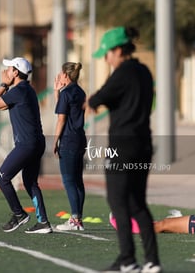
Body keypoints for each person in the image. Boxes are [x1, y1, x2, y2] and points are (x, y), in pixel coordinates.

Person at [87, 27, 161, 273]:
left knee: (117, 201)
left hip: (122, 145)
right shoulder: (144, 71)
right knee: (138, 203)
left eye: (107, 54)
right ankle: (152, 261)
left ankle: (127, 259)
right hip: (143, 143)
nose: (106, 59)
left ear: (118, 50)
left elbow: (97, 99)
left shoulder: (123, 72)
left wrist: (90, 102)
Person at [0, 57, 52, 234]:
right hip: (36, 142)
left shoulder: (19, 91)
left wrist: (3, 84)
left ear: (15, 72)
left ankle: (19, 214)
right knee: (30, 181)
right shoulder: (26, 90)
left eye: (8, 69)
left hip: (27, 144)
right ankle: (43, 222)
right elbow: (2, 106)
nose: (6, 71)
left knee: (2, 178)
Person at [52, 62, 87, 231]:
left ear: (65, 75)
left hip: (68, 139)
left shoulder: (67, 93)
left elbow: (61, 119)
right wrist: (56, 92)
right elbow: (64, 109)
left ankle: (74, 219)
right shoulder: (80, 92)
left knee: (68, 180)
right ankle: (78, 218)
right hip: (80, 138)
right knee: (78, 180)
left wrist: (55, 140)